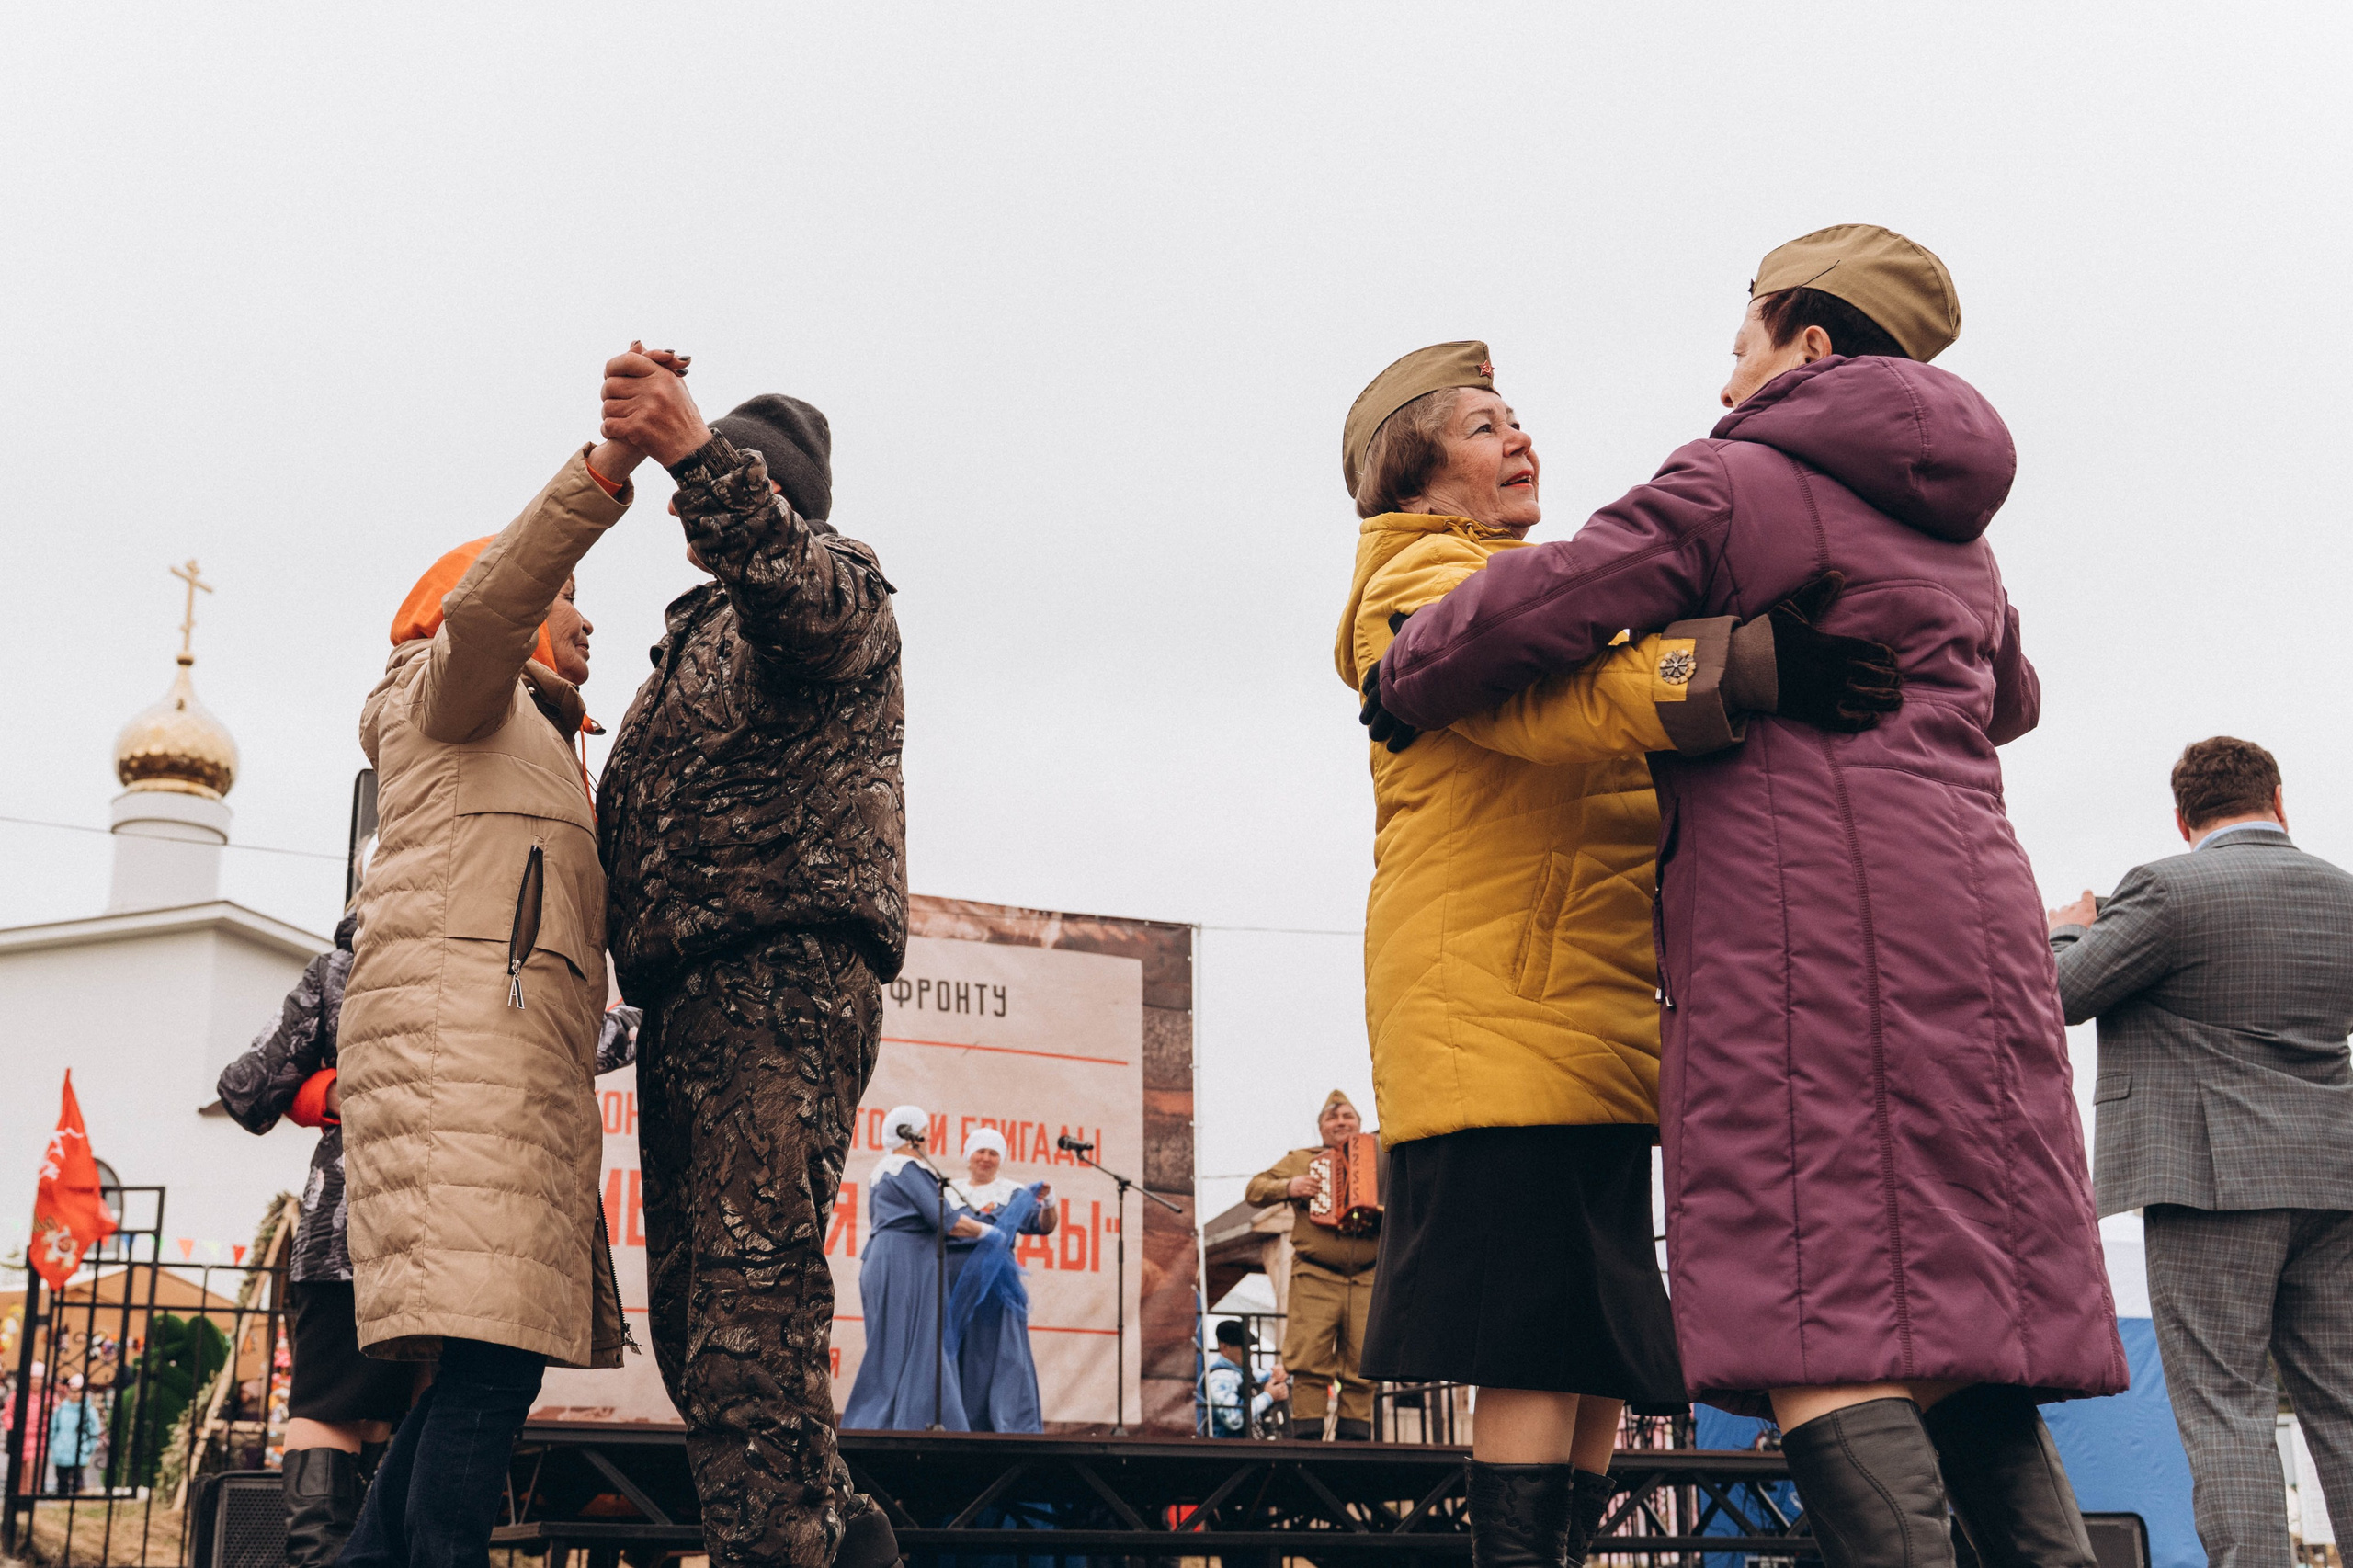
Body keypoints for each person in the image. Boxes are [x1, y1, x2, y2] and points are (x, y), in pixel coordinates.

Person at [1370, 226, 2125, 1568]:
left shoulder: (1740, 484)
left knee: (1818, 1303)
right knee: (1965, 1336)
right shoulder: (1962, 530)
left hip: (1806, 936)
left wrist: (1413, 669)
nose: (1726, 379)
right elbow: (2011, 698)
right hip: (1979, 928)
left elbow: (1557, 600)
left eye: (1741, 344)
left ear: (1808, 346)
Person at [1335, 341, 1904, 1568]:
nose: (1519, 438)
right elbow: (1541, 700)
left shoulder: (1518, 577)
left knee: (1587, 1348)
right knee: (1539, 1340)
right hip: (1500, 1010)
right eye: (1485, 426)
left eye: (1518, 417)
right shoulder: (1419, 582)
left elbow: (1589, 669)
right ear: (1414, 467)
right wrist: (1737, 662)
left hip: (1578, 1015)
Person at [594, 355, 907, 1568]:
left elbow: (802, 596)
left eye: (710, 478)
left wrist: (688, 448)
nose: (679, 503)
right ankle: (834, 1540)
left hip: (777, 976)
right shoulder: (693, 639)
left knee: (747, 1310)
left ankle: (782, 1550)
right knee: (698, 1318)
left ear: (764, 485)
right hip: (688, 995)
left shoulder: (835, 591)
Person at [337, 363, 647, 1568]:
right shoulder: (448, 691)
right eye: (563, 592)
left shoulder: (533, 741)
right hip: (473, 1080)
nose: (583, 616)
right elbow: (484, 613)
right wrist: (602, 478)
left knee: (480, 1374)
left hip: (506, 1086)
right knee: (487, 1375)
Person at [2048, 736, 2353, 1568]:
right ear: (2279, 801)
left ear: (2182, 818)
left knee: (2226, 1407)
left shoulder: (2166, 890)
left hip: (2210, 1181)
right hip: (2334, 1179)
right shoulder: (2342, 893)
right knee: (2344, 1409)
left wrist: (2068, 930)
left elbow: (2060, 996)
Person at [1245, 1093, 1381, 1443]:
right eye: (1332, 1118)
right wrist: (1290, 1186)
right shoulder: (1302, 1160)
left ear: (1359, 1123)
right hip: (1315, 1275)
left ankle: (1356, 1444)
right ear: (1321, 1128)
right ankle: (1307, 1444)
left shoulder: (1384, 1156)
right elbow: (1255, 1190)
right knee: (1308, 1362)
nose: (1341, 1123)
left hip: (1368, 1276)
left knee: (1365, 1363)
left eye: (1348, 1116)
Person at [842, 1106, 979, 1431]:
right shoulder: (905, 1166)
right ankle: (892, 1421)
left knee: (906, 1341)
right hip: (904, 1260)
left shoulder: (889, 1168)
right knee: (908, 1341)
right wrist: (989, 1232)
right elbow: (942, 1218)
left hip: (899, 1258)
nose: (929, 1138)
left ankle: (902, 1419)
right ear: (912, 1134)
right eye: (926, 1132)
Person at [944, 1127, 1056, 1433]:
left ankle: (1001, 1422)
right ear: (969, 1156)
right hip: (951, 1282)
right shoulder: (947, 1190)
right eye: (980, 1151)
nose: (986, 1158)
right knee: (954, 1349)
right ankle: (955, 1421)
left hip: (996, 1284)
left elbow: (1043, 1227)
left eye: (993, 1153)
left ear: (1001, 1159)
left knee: (997, 1353)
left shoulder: (1013, 1193)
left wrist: (1049, 1205)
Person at [1201, 1321, 1289, 1438]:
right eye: (1244, 1347)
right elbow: (1234, 1419)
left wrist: (1282, 1373)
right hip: (1227, 1451)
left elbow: (1266, 1375)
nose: (1250, 1352)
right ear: (1224, 1348)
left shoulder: (1243, 1372)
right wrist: (1269, 1396)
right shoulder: (1218, 1379)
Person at [47, 1375, 100, 1494]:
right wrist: (54, 1444)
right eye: (72, 1391)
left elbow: (94, 1431)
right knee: (61, 1481)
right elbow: (53, 1428)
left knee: (78, 1482)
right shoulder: (61, 1409)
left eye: (78, 1392)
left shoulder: (89, 1411)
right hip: (61, 1450)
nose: (74, 1395)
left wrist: (89, 1448)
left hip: (79, 1451)